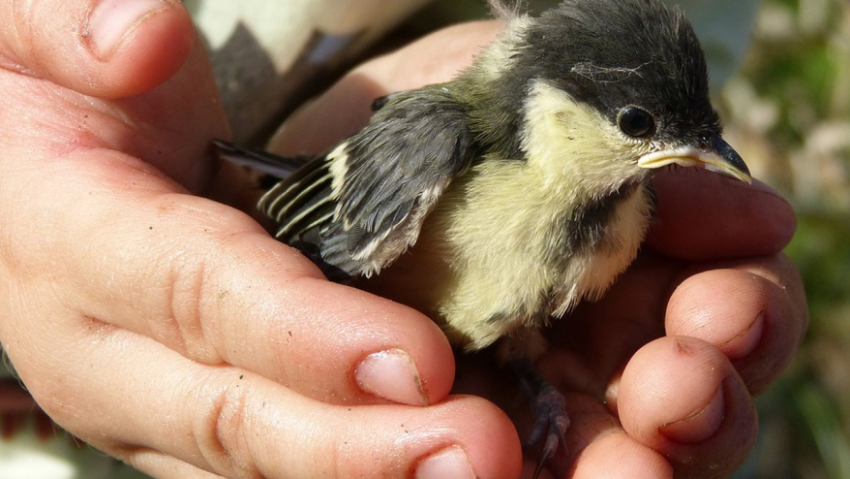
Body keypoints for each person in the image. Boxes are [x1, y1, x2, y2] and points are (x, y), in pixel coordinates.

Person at [0, 1, 807, 478]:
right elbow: (310, 232)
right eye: (638, 128)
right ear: (550, 108)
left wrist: (537, 392)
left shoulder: (626, 205)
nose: (669, 158)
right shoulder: (443, 151)